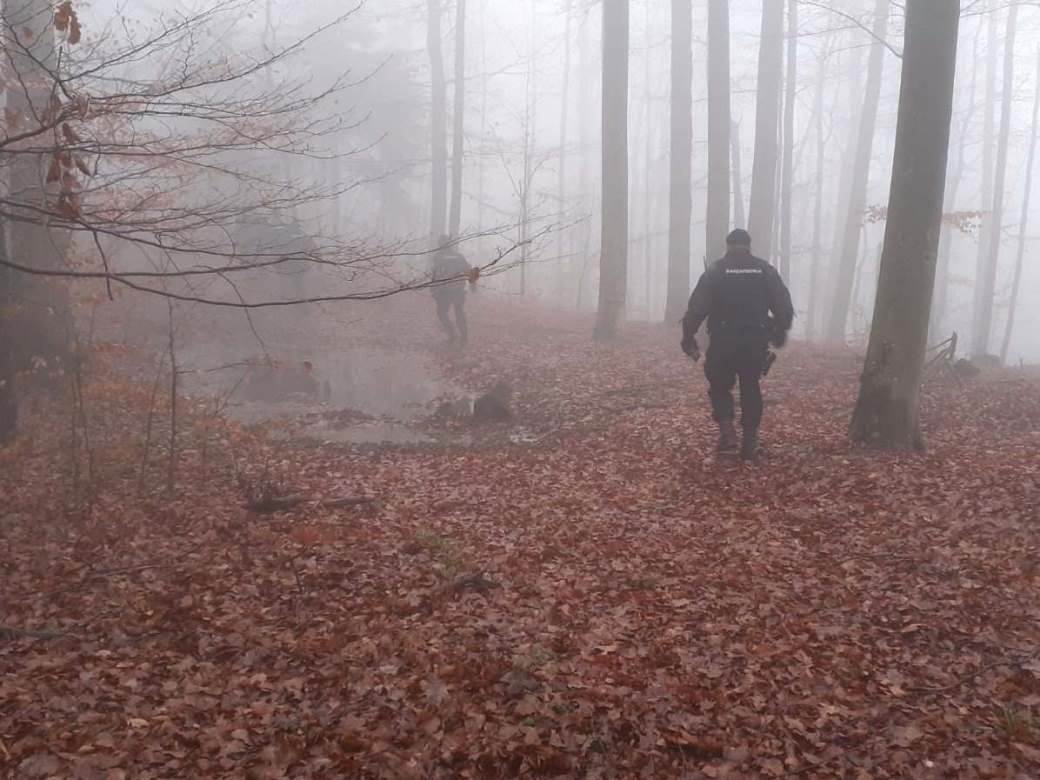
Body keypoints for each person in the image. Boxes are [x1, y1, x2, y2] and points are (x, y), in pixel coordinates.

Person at [680, 229, 794, 461]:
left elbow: (697, 308)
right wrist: (780, 329)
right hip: (755, 341)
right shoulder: (764, 270)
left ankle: (727, 433)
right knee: (751, 386)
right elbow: (783, 305)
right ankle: (750, 442)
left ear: (728, 245)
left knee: (719, 386)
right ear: (749, 245)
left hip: (723, 339)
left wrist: (688, 336)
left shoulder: (716, 270)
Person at [430, 236, 472, 347]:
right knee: (459, 313)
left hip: (444, 291)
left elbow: (435, 274)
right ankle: (464, 338)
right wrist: (472, 285)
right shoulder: (459, 256)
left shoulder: (438, 257)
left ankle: (453, 335)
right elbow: (468, 270)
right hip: (458, 290)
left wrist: (433, 289)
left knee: (442, 313)